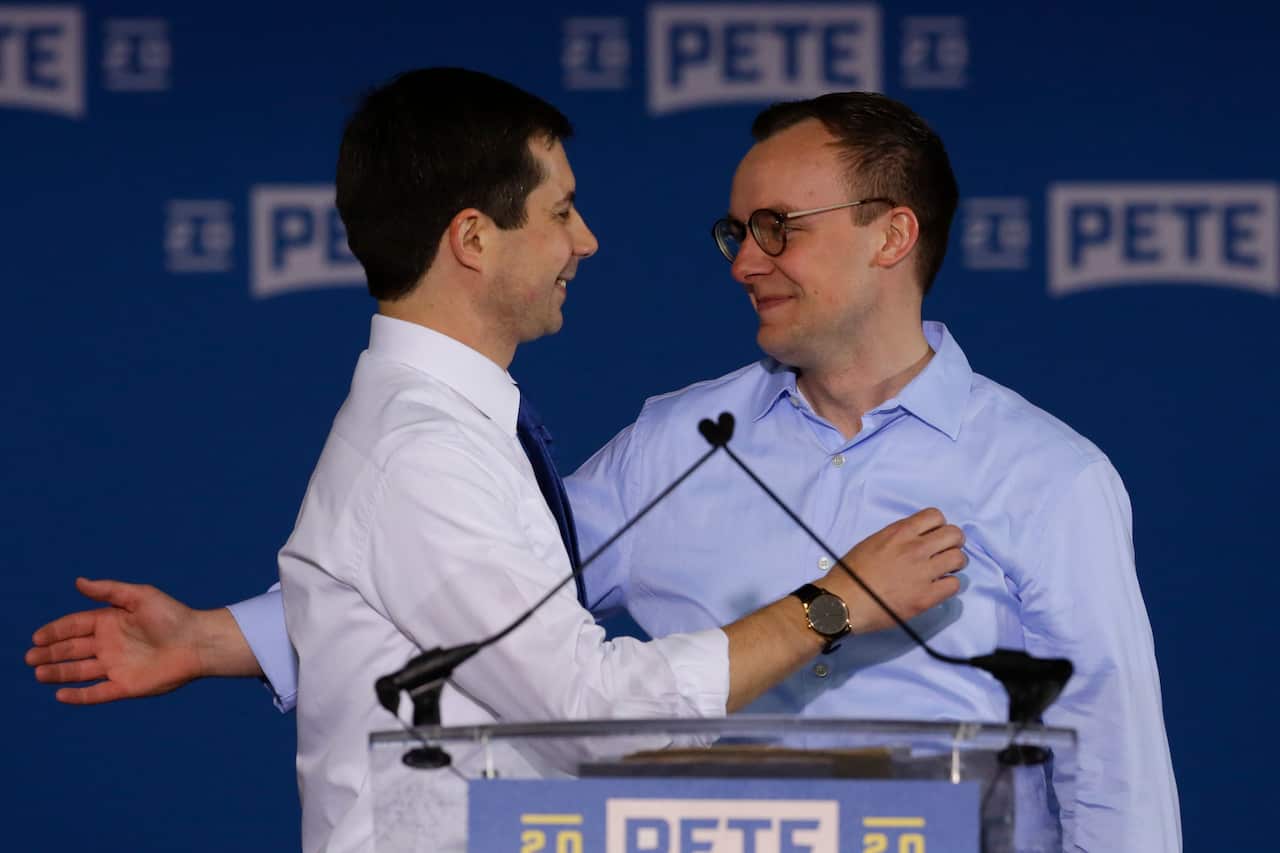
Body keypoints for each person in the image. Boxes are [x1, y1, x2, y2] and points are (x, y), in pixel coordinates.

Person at [27, 88, 1177, 850]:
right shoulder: (679, 440)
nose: (745, 263)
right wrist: (216, 638)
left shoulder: (1045, 476)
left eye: (778, 228)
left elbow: (1112, 764)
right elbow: (485, 595)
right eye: (734, 233)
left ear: (892, 233)